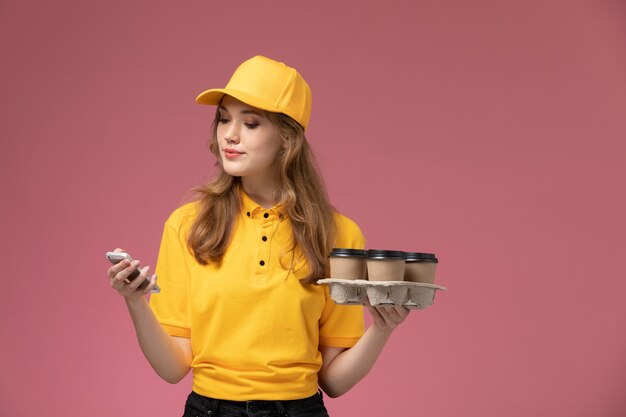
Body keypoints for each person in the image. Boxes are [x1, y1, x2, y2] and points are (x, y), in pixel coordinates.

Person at [107, 55, 410, 417]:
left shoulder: (339, 234)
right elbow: (172, 369)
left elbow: (335, 381)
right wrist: (135, 302)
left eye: (250, 123)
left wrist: (381, 329)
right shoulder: (188, 224)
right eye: (223, 119)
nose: (229, 135)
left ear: (287, 139)